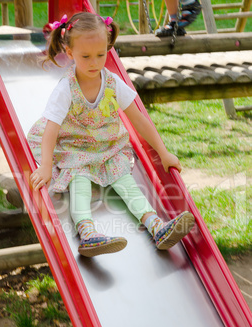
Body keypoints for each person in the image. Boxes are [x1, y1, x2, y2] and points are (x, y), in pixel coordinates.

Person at [28, 12, 195, 257]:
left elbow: (139, 118)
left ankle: (156, 226)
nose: (95, 62)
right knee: (80, 181)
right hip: (75, 147)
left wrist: (164, 152)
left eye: (101, 54)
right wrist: (45, 166)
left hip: (108, 147)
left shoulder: (112, 82)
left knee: (126, 181)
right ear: (70, 53)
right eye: (86, 56)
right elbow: (52, 127)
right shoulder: (66, 88)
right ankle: (88, 233)